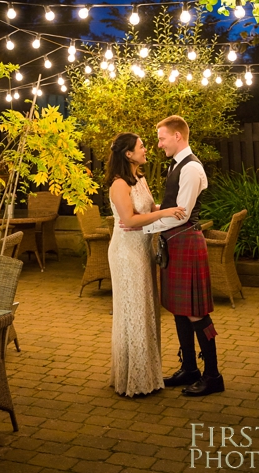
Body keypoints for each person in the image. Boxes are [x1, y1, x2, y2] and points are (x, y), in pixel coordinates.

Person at [141, 115, 224, 397]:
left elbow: (181, 214)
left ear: (178, 136)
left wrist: (145, 227)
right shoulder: (176, 165)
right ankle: (190, 368)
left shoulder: (190, 169)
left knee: (195, 313)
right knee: (179, 310)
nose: (159, 143)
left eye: (162, 138)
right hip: (175, 244)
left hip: (186, 241)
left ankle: (213, 375)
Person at [106, 132, 187, 397]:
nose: (146, 149)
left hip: (143, 251)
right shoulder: (119, 184)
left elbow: (149, 208)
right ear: (128, 154)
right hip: (126, 253)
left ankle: (147, 375)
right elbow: (129, 220)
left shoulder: (139, 179)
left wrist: (177, 207)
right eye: (141, 146)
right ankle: (132, 379)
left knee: (146, 310)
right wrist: (163, 213)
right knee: (134, 311)